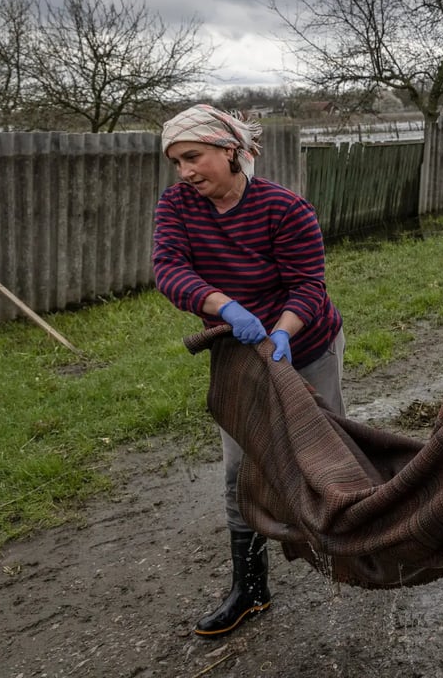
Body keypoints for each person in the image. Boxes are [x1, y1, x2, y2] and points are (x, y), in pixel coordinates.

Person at [152, 104, 346, 638]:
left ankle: (348, 547)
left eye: (193, 157)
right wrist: (223, 305)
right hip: (237, 351)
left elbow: (308, 284)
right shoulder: (177, 206)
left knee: (322, 447)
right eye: (177, 162)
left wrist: (283, 331)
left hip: (304, 342)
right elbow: (169, 269)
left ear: (231, 151)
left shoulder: (285, 209)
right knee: (242, 466)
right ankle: (251, 587)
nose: (185, 171)